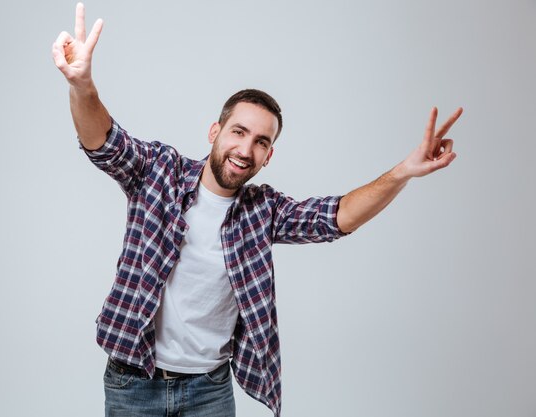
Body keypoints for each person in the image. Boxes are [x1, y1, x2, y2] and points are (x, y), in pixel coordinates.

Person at [52, 4, 462, 417]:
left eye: (261, 142)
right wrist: (82, 85)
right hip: (134, 382)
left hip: (209, 389)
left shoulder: (262, 210)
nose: (246, 150)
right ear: (215, 132)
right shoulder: (160, 172)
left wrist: (404, 172)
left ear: (269, 155)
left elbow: (338, 217)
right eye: (239, 132)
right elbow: (104, 142)